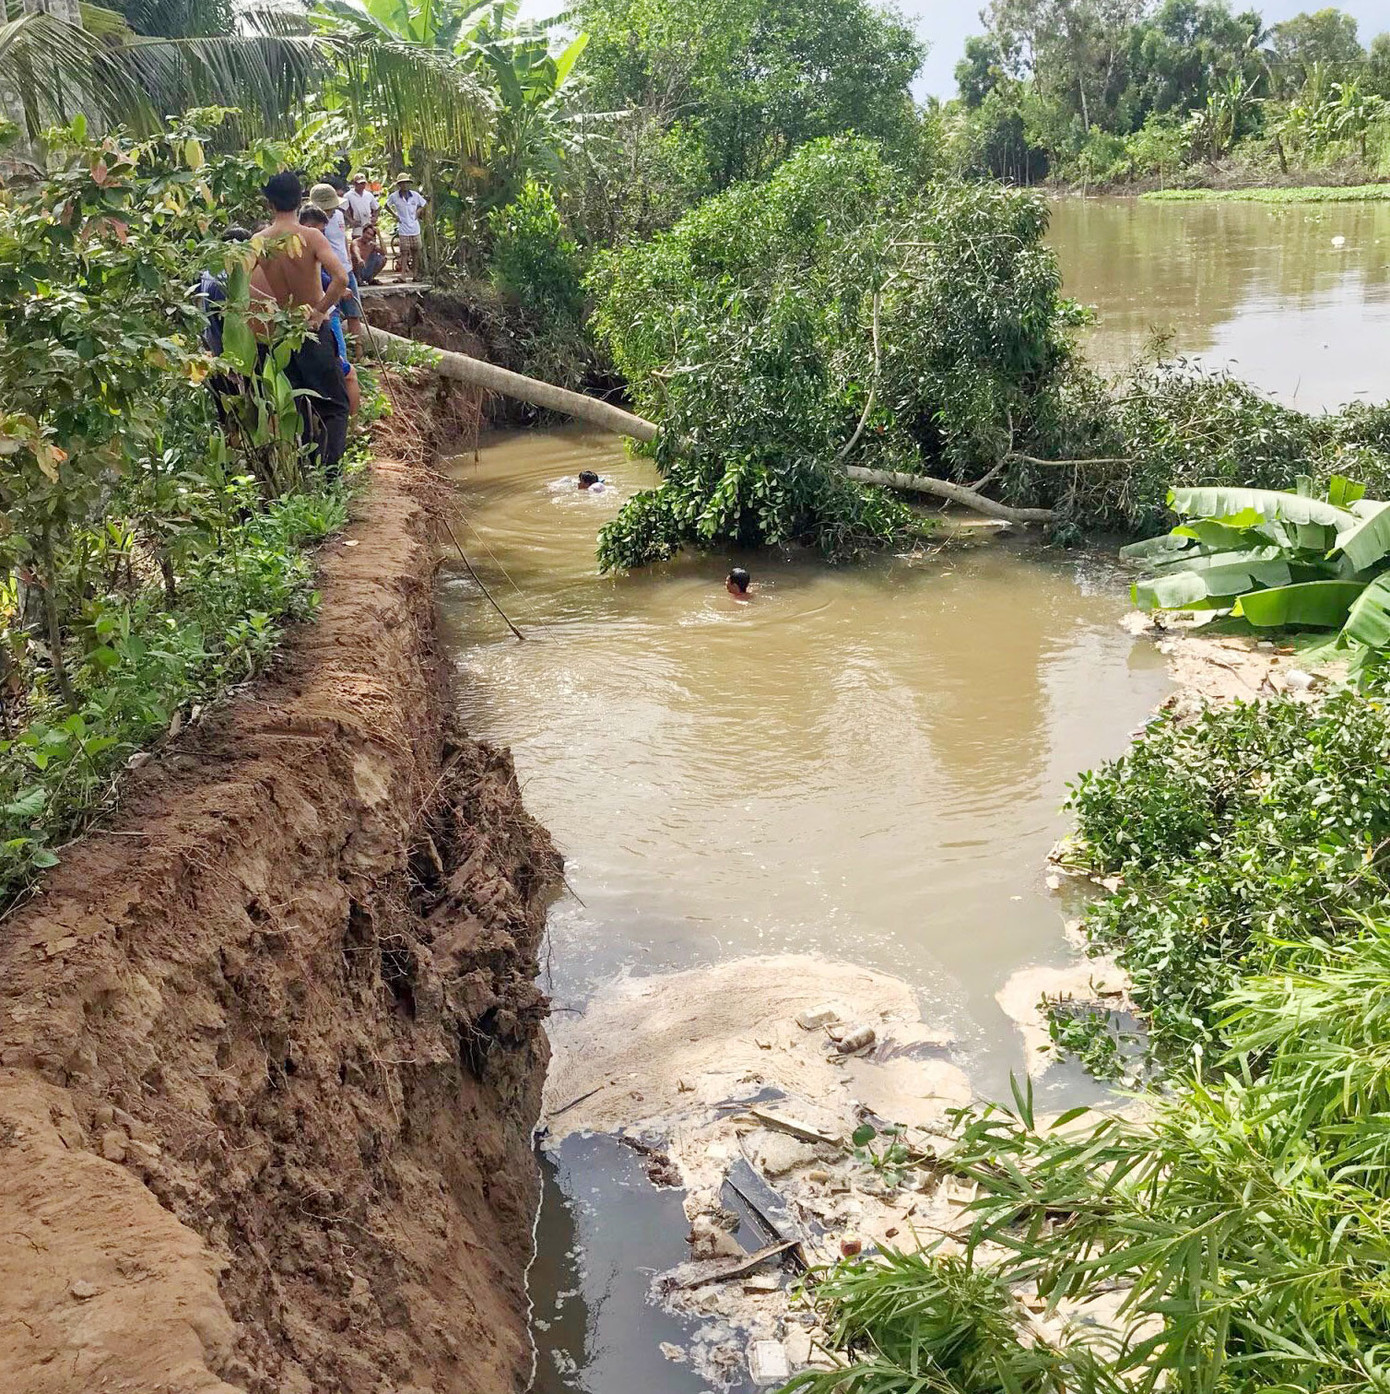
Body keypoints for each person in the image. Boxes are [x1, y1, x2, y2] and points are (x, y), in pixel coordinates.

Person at [255, 170, 351, 474]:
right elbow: (341, 278)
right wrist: (321, 310)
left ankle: (307, 471)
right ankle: (329, 476)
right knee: (334, 407)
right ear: (301, 200)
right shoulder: (310, 237)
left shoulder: (259, 241)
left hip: (281, 333)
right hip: (311, 331)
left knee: (297, 406)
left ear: (269, 204)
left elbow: (240, 287)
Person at [299, 207, 361, 416]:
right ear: (308, 227)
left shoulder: (297, 247)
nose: (322, 235)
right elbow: (333, 278)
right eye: (319, 230)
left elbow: (322, 276)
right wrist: (322, 307)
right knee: (344, 370)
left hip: (308, 321)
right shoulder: (304, 247)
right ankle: (347, 421)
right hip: (321, 319)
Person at [308, 182, 363, 341]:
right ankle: (339, 354)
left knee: (354, 313)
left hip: (346, 269)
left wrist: (348, 259)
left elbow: (343, 238)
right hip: (328, 273)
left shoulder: (339, 215)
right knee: (332, 312)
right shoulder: (313, 225)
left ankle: (360, 355)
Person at [386, 173, 427, 279]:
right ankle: (403, 275)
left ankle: (415, 274)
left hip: (414, 227)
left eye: (406, 183)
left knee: (416, 252)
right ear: (399, 184)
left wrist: (418, 212)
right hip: (403, 227)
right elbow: (386, 205)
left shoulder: (415, 195)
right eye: (402, 183)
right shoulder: (394, 196)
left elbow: (423, 204)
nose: (404, 185)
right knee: (404, 252)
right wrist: (395, 215)